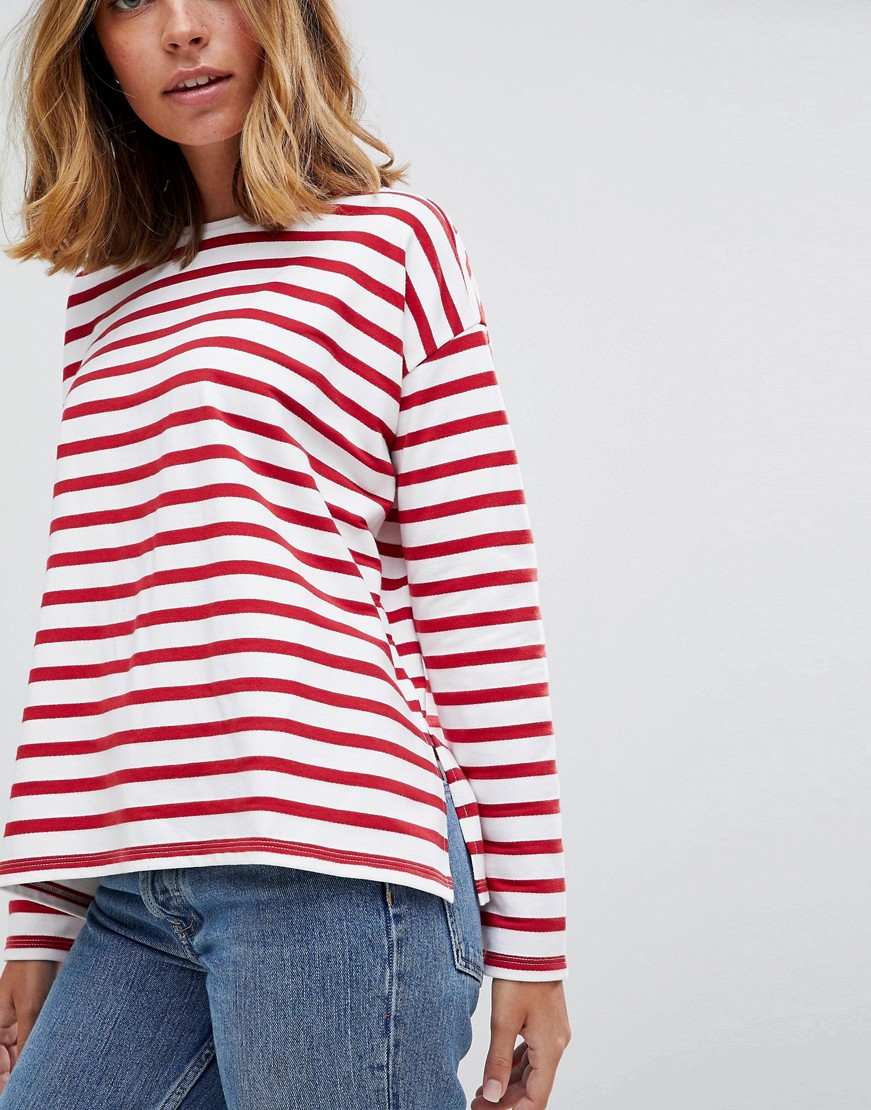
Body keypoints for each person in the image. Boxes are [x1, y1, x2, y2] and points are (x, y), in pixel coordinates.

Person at [0, 1, 571, 1107]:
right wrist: (40, 914)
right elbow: (96, 607)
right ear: (93, 49)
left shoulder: (392, 245)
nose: (181, 29)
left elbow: (479, 602)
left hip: (337, 871)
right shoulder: (106, 295)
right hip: (137, 883)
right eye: (131, 0)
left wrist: (534, 943)